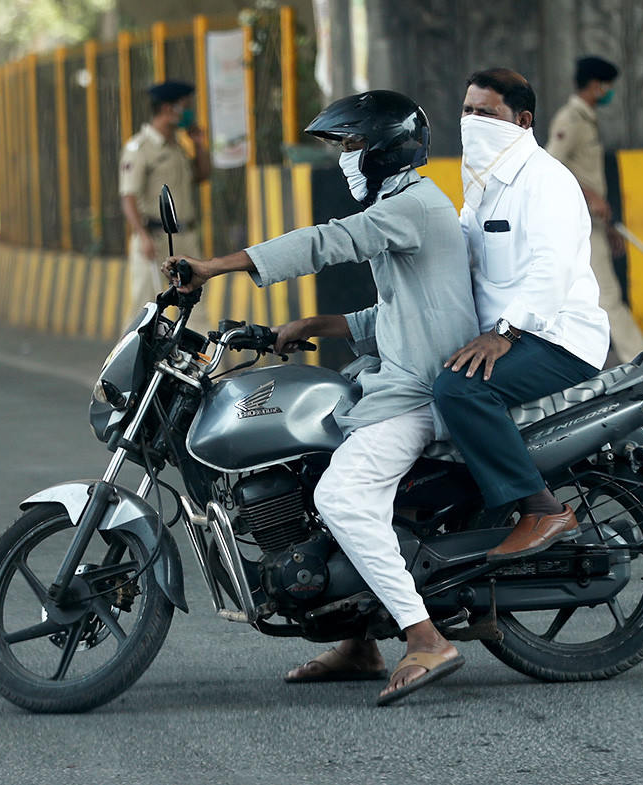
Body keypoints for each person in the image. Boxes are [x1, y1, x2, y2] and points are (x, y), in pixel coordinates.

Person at [164, 90, 478, 706]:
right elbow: (398, 310)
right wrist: (313, 325)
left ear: (388, 148)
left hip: (420, 392)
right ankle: (360, 640)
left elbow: (326, 242)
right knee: (313, 478)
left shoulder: (412, 205)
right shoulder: (402, 202)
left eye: (353, 145)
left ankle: (426, 637)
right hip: (397, 375)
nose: (345, 157)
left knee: (341, 494)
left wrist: (216, 267)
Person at [434, 68, 610, 563]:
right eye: (466, 111)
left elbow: (550, 273)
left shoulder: (546, 180)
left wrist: (504, 334)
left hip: (556, 337)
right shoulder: (483, 185)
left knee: (459, 388)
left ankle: (542, 508)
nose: (471, 121)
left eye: (484, 113)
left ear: (522, 119)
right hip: (508, 335)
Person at [547, 56, 643, 365]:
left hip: (594, 224)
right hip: (579, 224)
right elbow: (551, 167)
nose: (609, 93)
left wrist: (608, 226)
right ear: (596, 86)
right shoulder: (571, 120)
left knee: (596, 297)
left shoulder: (587, 118)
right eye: (608, 87)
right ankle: (641, 361)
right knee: (608, 298)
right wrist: (590, 195)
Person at [120, 80, 210, 325]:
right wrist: (142, 236)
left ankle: (205, 364)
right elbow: (128, 197)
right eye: (185, 106)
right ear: (168, 109)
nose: (189, 112)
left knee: (194, 309)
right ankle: (130, 363)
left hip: (185, 236)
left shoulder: (176, 146)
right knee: (146, 310)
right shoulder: (140, 147)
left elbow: (201, 175)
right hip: (154, 238)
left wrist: (199, 144)